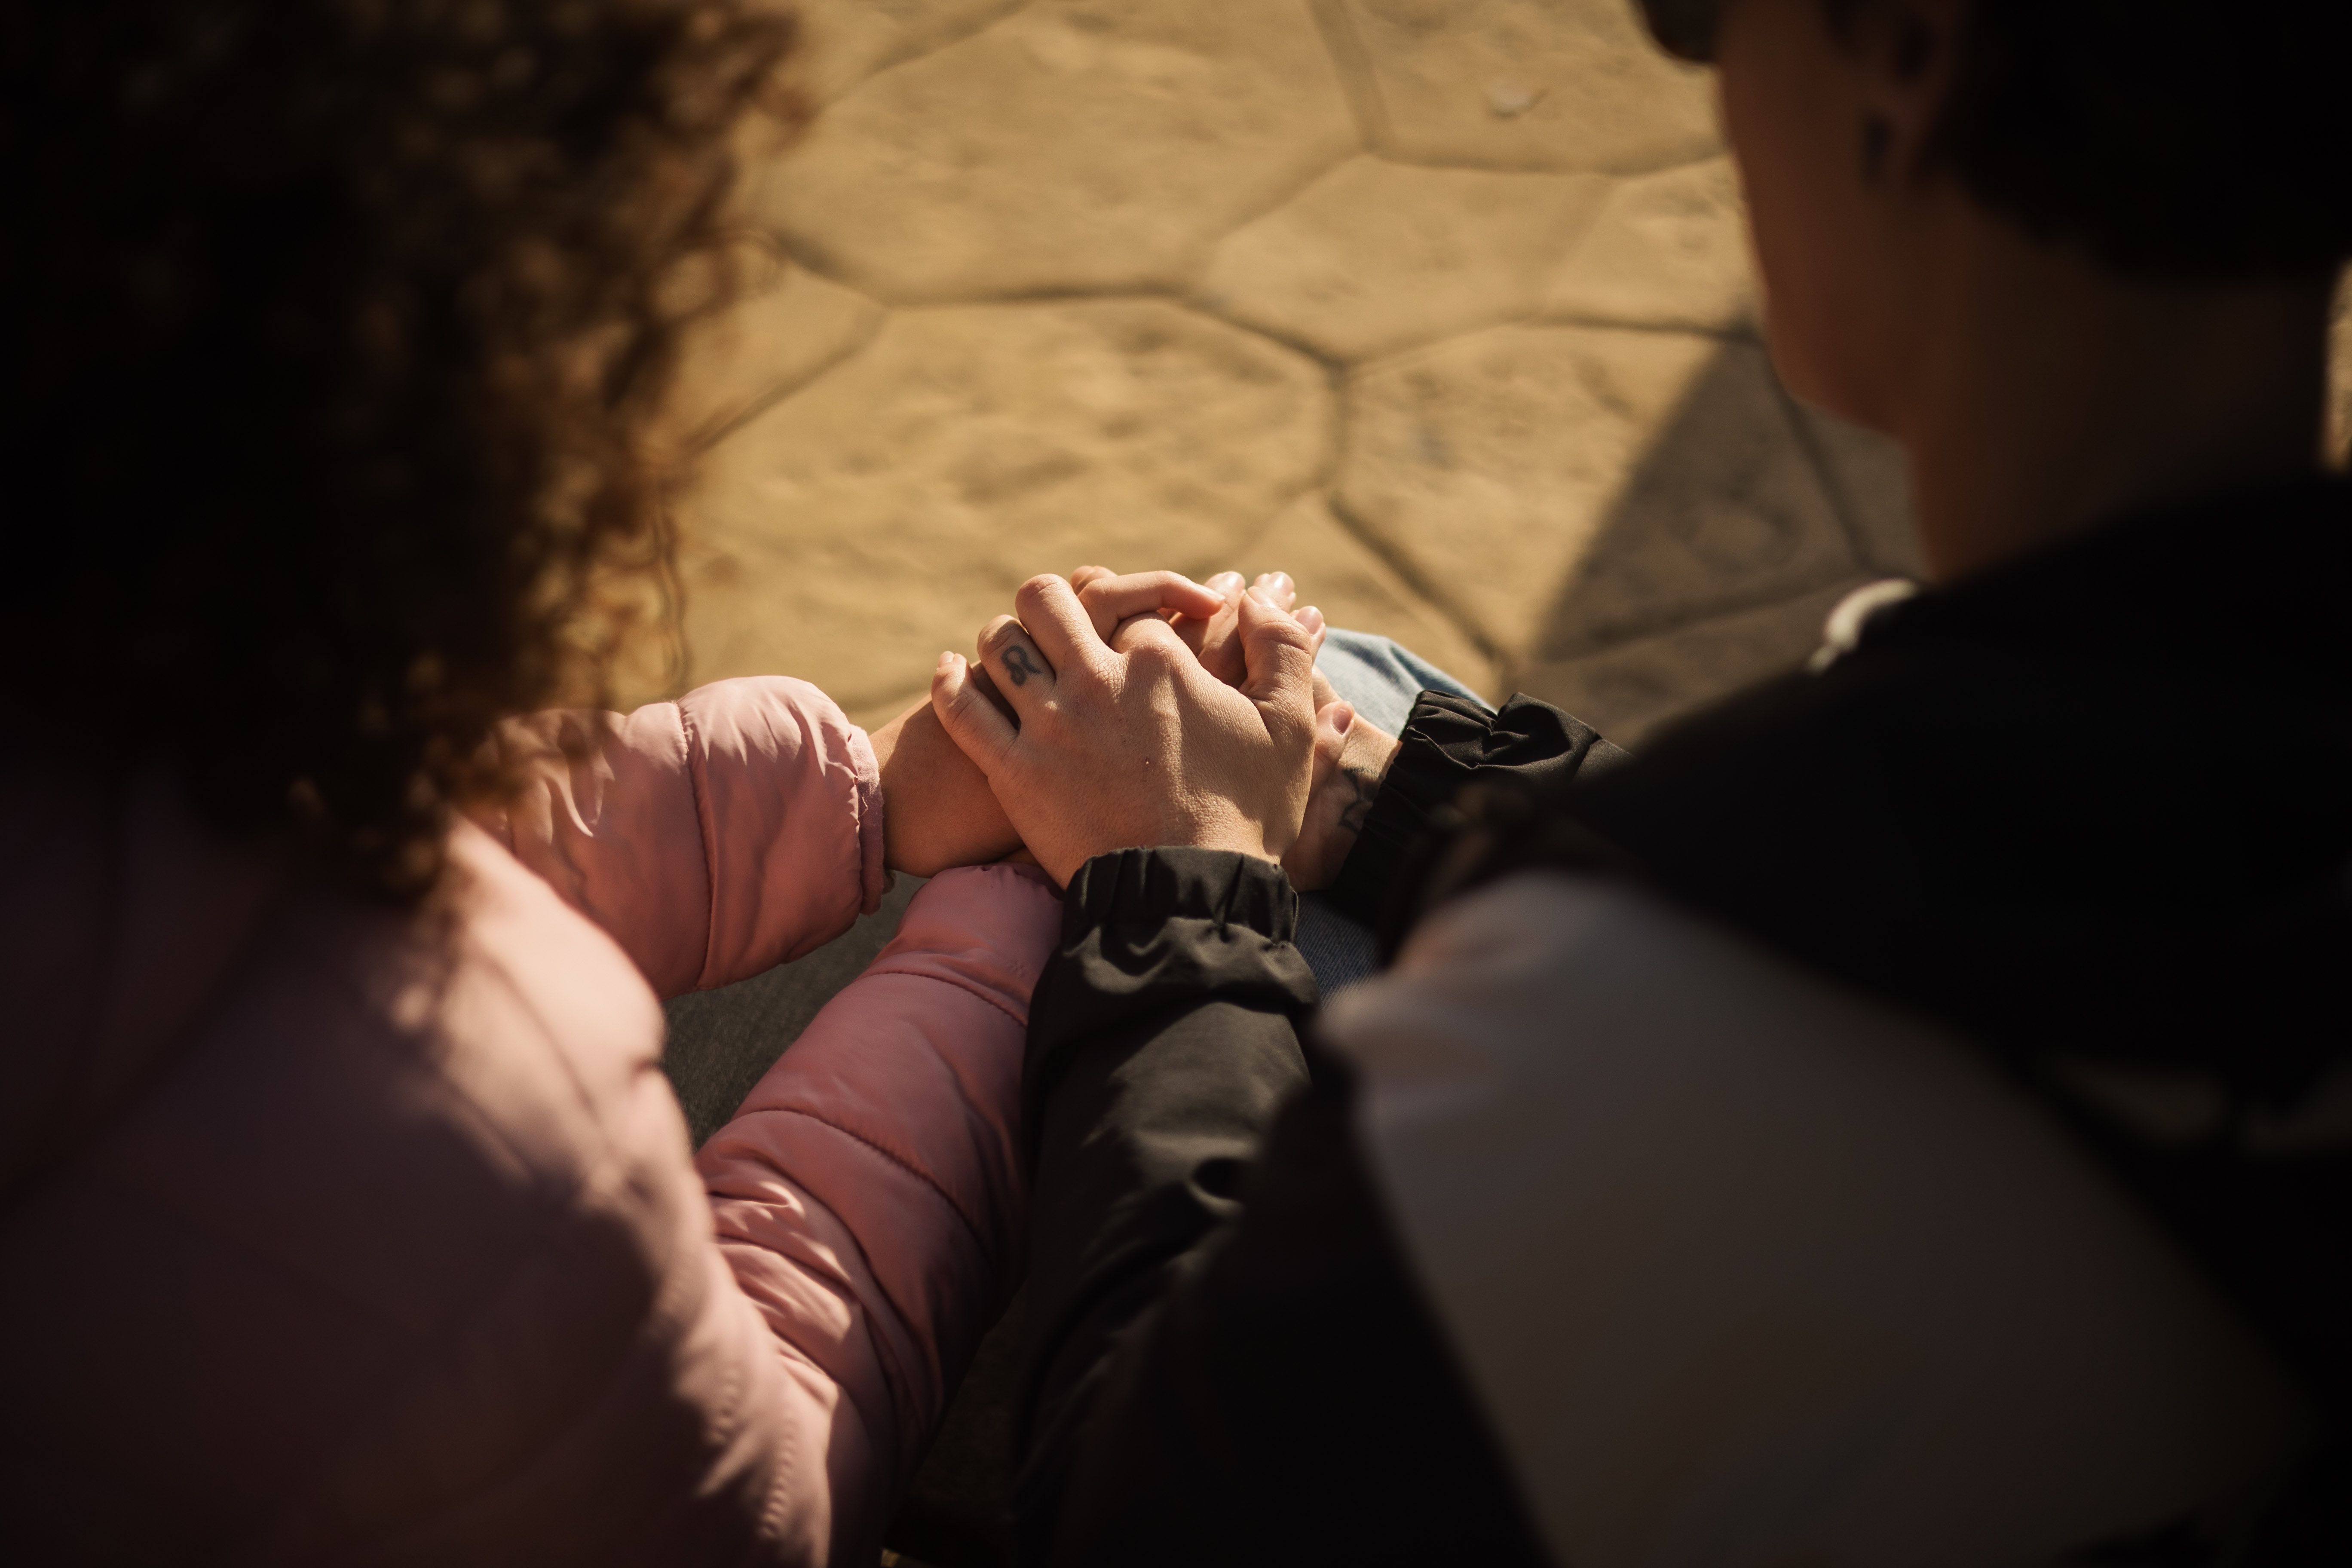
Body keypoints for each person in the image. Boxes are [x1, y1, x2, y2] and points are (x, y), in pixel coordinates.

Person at [926, 0, 2352, 1562]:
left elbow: (1140, 1516)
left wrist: (1175, 888)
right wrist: (1386, 806)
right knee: (1360, 694)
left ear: (1907, 52)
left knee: (932, 938)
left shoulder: (1660, 1026)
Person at [0, 3, 1309, 1562]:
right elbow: (756, 1504)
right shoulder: (464, 1133)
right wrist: (1030, 920)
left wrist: (868, 795)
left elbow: (329, 835)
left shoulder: (89, 696)